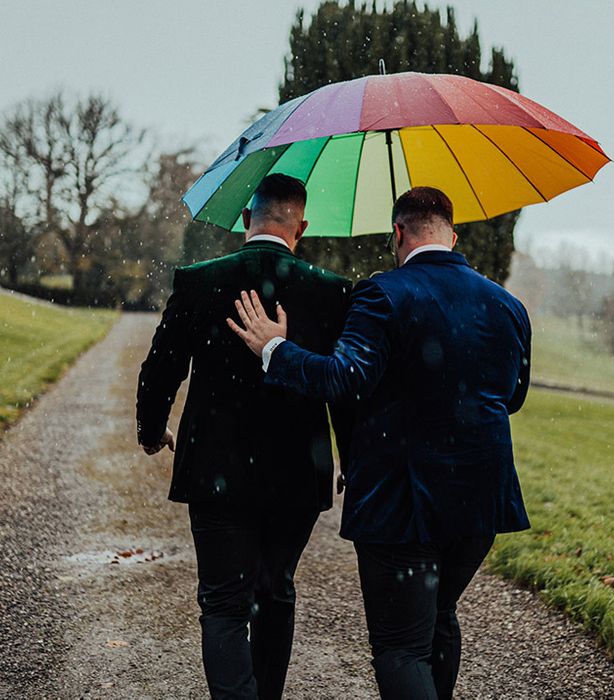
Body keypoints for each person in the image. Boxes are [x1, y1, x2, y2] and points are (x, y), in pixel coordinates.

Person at [228, 186, 532, 700]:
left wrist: (274, 350)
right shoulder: (508, 305)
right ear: (452, 235)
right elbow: (513, 396)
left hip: (404, 501)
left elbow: (345, 378)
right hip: (482, 500)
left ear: (398, 232)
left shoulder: (382, 294)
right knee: (439, 618)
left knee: (400, 646)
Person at [136, 173, 353, 700]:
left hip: (216, 469)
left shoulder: (198, 280)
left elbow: (162, 368)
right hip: (298, 471)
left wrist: (151, 428)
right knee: (275, 592)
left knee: (223, 603)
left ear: (245, 220)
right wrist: (352, 453)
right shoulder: (331, 292)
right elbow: (345, 383)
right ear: (300, 226)